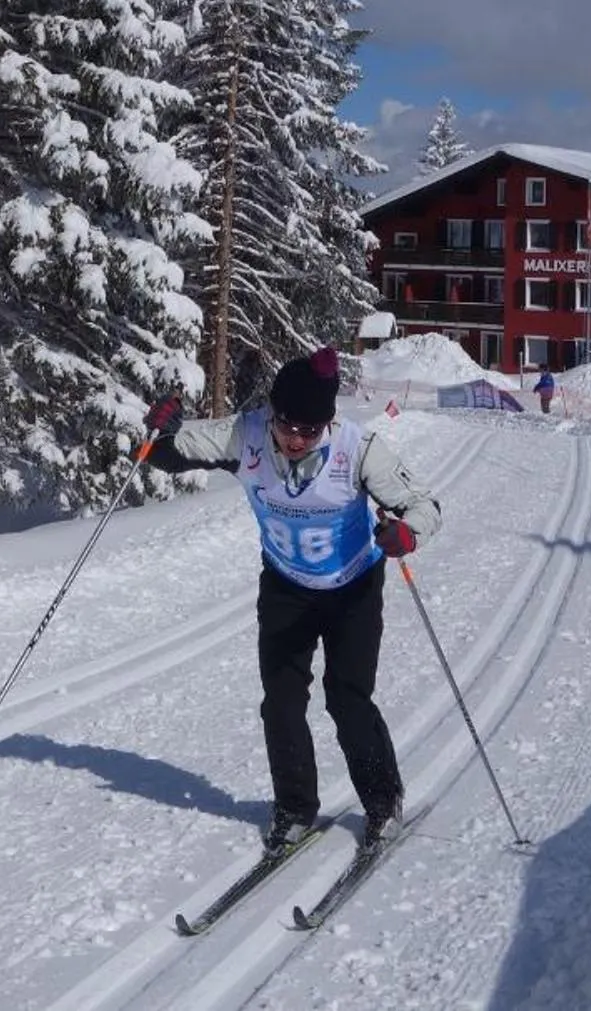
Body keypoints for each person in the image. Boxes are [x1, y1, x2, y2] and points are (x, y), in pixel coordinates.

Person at [143, 347, 441, 852]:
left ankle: (382, 801)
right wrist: (159, 429)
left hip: (352, 589)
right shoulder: (246, 435)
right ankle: (295, 808)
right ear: (273, 414)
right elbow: (172, 451)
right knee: (280, 702)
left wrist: (406, 534)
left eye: (310, 430)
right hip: (286, 586)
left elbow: (423, 505)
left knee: (347, 699)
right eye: (288, 426)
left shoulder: (359, 449)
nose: (297, 439)